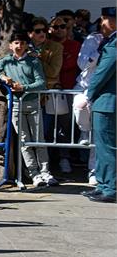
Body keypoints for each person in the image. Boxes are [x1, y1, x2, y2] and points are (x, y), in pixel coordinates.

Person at [0, 32, 55, 188]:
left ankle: (45, 172)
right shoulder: (6, 61)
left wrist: (23, 87)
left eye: (22, 43)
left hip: (33, 104)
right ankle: (34, 173)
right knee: (24, 141)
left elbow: (41, 83)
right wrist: (2, 77)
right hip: (16, 105)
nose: (19, 46)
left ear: (26, 45)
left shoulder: (33, 61)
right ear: (11, 45)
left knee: (39, 140)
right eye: (16, 43)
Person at [79, 9, 115, 203]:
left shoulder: (114, 43)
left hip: (108, 102)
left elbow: (102, 73)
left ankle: (110, 188)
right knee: (102, 147)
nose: (102, 23)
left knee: (106, 147)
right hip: (105, 101)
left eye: (106, 19)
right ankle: (103, 185)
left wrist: (89, 94)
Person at [48, 15, 81, 173]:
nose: (59, 30)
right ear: (50, 29)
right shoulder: (46, 45)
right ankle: (47, 159)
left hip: (67, 90)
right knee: (47, 126)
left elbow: (68, 64)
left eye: (63, 27)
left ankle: (64, 157)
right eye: (56, 27)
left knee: (65, 125)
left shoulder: (75, 45)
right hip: (48, 90)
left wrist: (52, 64)